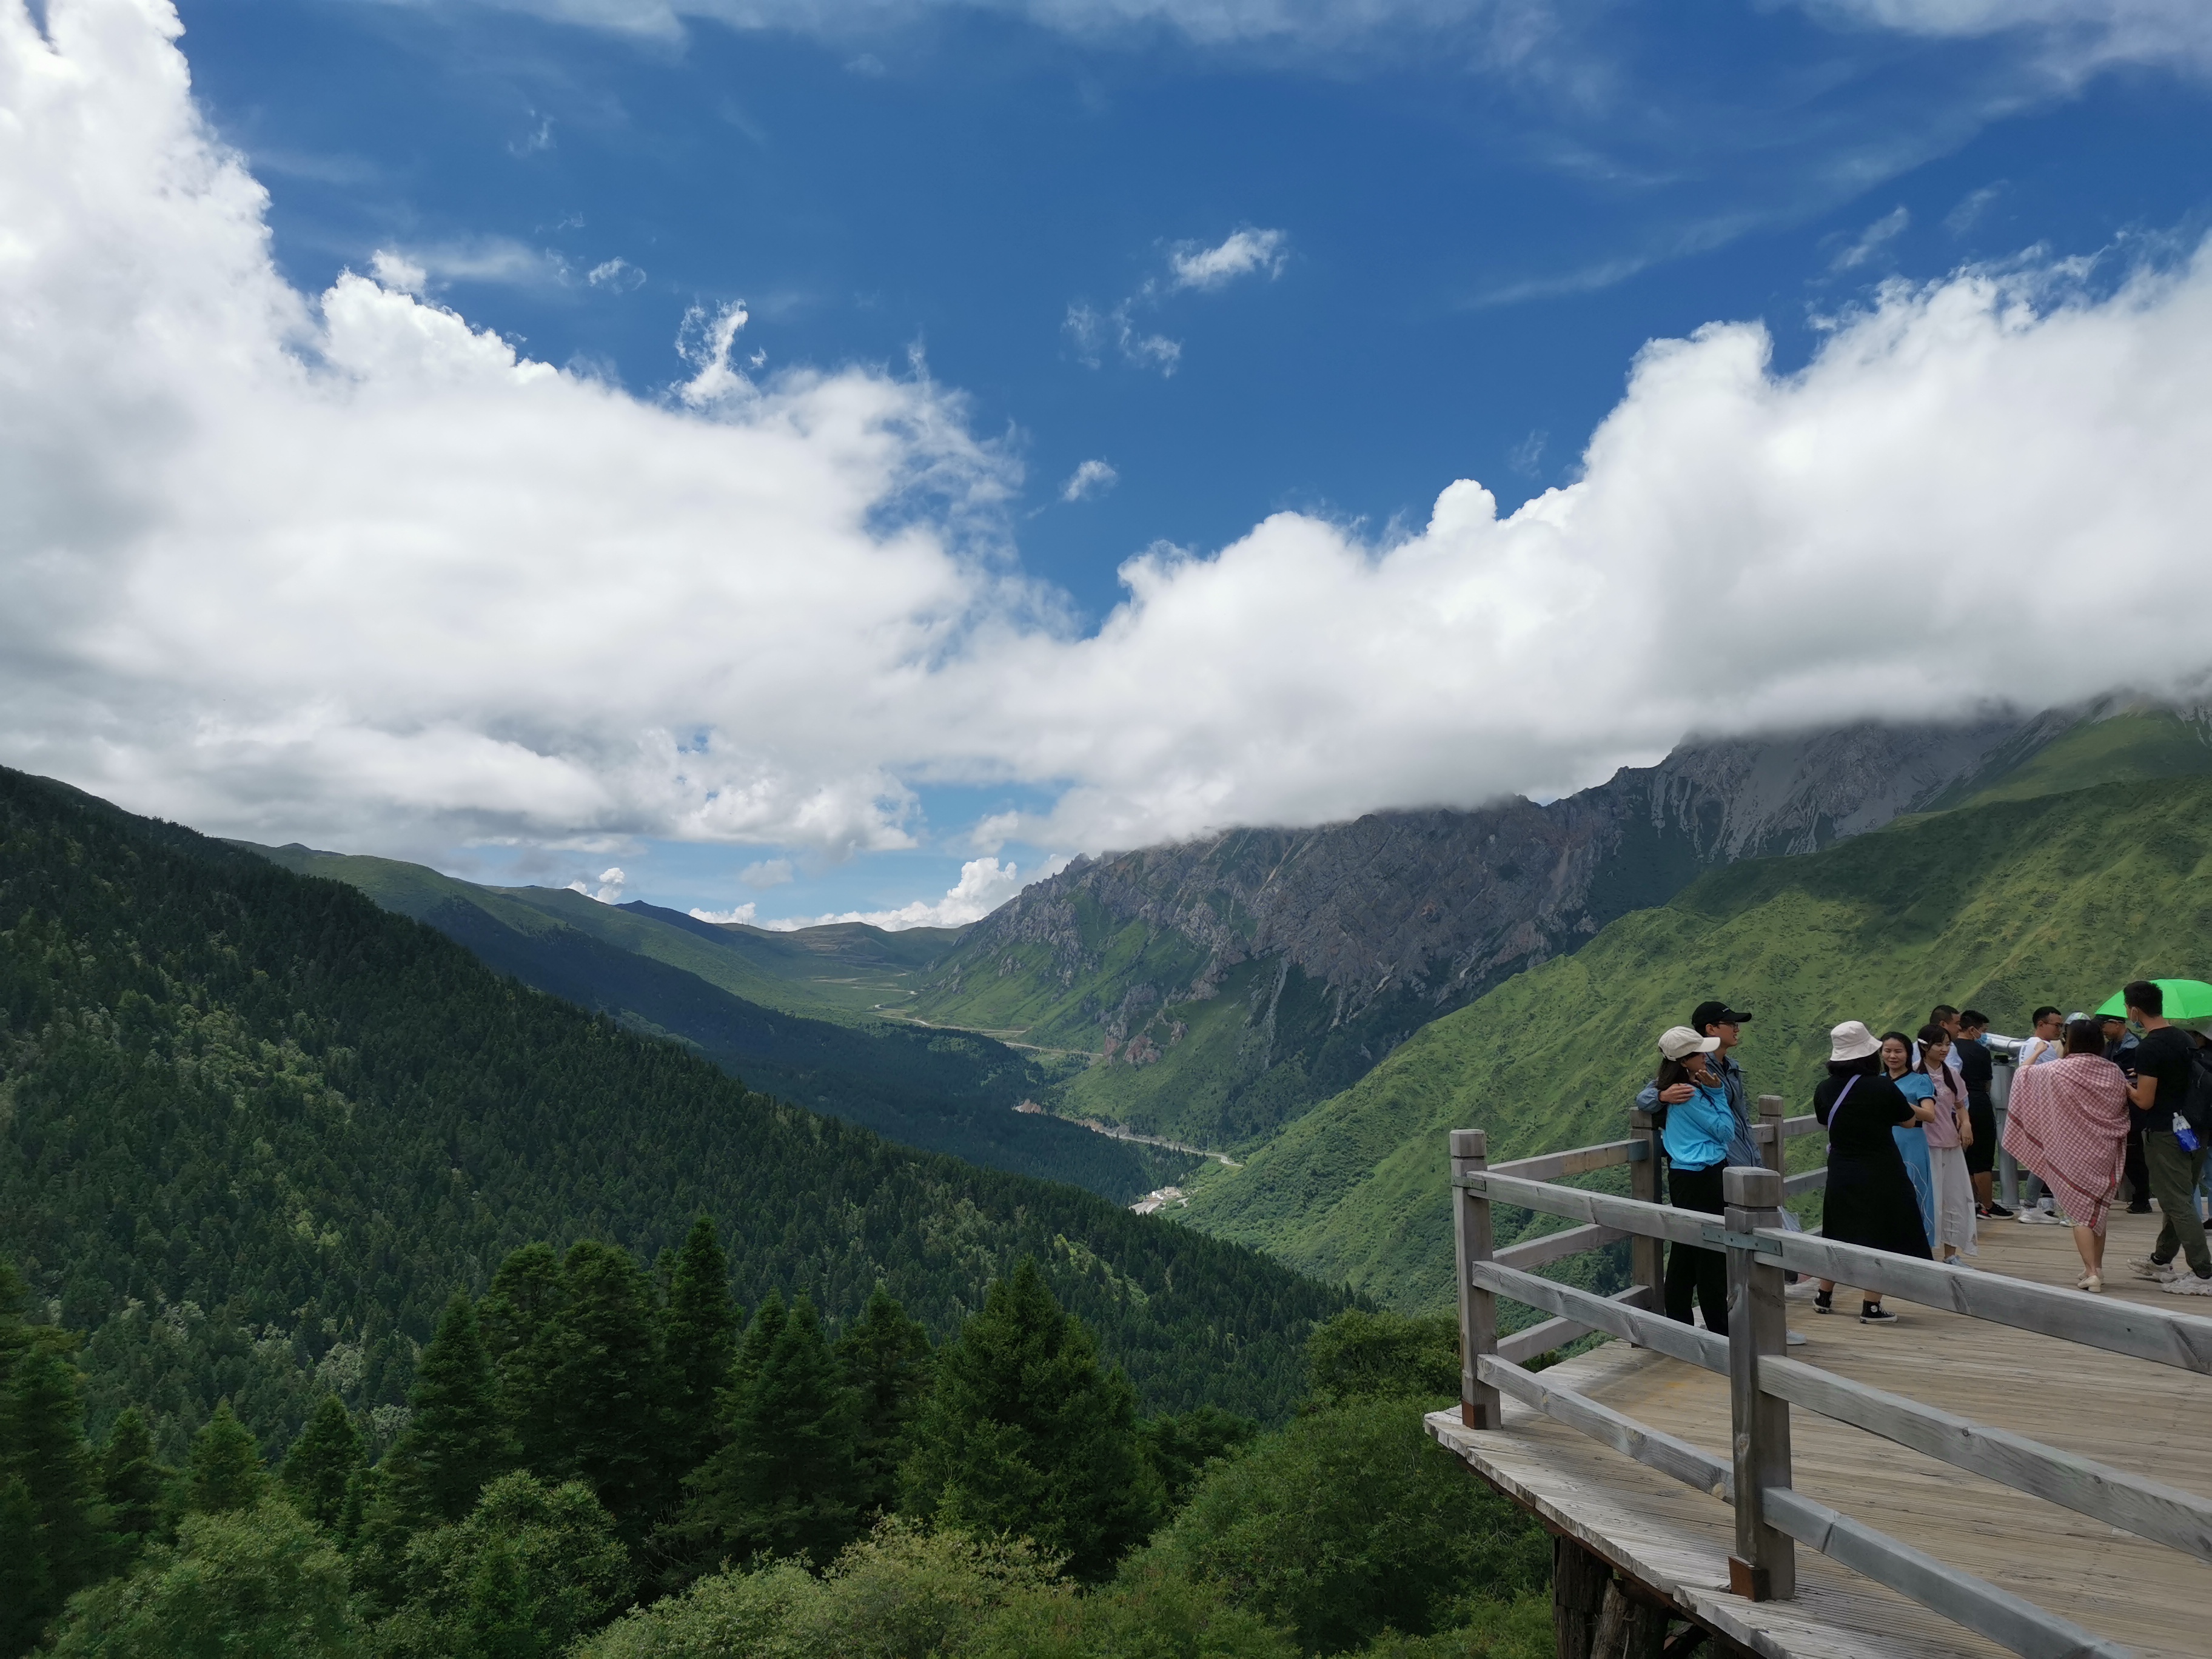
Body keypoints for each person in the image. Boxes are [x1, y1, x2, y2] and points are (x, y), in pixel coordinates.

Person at [1813, 1021, 1934, 1322]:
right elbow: (1909, 1122)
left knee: (1837, 1229)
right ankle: (1871, 1306)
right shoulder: (1881, 1087)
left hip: (1841, 1167)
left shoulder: (1824, 1089)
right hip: (1880, 1168)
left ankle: (1824, 1295)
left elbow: (1824, 1121)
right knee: (1879, 1233)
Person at [2004, 1019, 2130, 1291]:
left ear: (2070, 1042)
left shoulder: (2053, 1071)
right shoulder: (2112, 1070)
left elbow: (2022, 1076)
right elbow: (2121, 1107)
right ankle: (2098, 1268)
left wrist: (2037, 1052)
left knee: (2078, 1214)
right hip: (2104, 1149)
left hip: (2071, 1151)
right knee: (2098, 1211)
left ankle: (2091, 1271)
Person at [2116, 981, 2212, 1296]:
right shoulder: (2184, 1037)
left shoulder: (2149, 1047)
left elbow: (2145, 1100)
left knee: (2177, 1201)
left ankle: (2204, 1272)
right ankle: (2161, 1261)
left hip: (2165, 1133)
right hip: (2195, 1129)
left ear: (2134, 1010)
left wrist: (2125, 1085)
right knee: (2180, 1196)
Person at [1654, 1025, 1736, 1335]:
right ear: (1684, 1061)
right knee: (1711, 1252)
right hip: (1703, 1175)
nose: (1705, 1056)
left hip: (1687, 1176)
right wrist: (1717, 1093)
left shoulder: (1680, 1087)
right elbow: (1726, 1131)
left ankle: (1679, 1325)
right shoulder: (1689, 1093)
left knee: (1687, 1249)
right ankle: (1719, 1329)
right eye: (1699, 1053)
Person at [1640, 1000, 1761, 1173]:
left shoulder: (1731, 1068)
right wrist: (1662, 1096)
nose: (1737, 1029)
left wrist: (1755, 1157)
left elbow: (1742, 1118)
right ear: (1711, 1029)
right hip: (1721, 1163)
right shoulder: (1696, 1068)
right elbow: (1646, 1096)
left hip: (1747, 1158)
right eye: (1731, 1024)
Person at [1914, 1022, 1977, 1263]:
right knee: (1927, 1199)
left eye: (1947, 1044)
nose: (1944, 1049)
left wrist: (1966, 1124)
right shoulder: (1914, 1074)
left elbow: (1960, 1105)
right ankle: (1923, 1254)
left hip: (1950, 1144)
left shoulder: (1951, 1074)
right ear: (1924, 1046)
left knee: (1954, 1198)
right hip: (1924, 1145)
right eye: (1939, 1044)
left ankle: (1951, 1255)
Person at [2013, 1006, 2069, 1224]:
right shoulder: (2044, 1048)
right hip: (2046, 1112)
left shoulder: (2028, 1045)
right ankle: (2064, 1210)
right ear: (2041, 1025)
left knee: (2043, 1160)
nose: (2060, 1029)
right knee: (2057, 1160)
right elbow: (2056, 1080)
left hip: (2032, 1110)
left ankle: (2030, 1207)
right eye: (2057, 1025)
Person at [1882, 1031, 1938, 1245]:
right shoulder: (1878, 1081)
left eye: (1898, 1051)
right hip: (1884, 1142)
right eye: (1887, 1051)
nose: (1892, 1056)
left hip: (1912, 1142)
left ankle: (1917, 1243)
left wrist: (1899, 1103)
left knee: (1915, 1192)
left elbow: (1930, 1115)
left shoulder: (1920, 1081)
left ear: (1908, 1054)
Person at [1956, 1011, 2009, 1218]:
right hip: (1978, 1103)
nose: (1983, 1035)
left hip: (1956, 1106)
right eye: (1983, 1030)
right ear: (1972, 1030)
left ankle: (1971, 1205)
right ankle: (1988, 1205)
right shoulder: (1980, 1052)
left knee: (1965, 1158)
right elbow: (1987, 1083)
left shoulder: (1948, 1049)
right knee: (1983, 1159)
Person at [2104, 1014, 2152, 1213]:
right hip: (2116, 1106)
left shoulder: (2135, 1048)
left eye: (2105, 1025)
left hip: (2132, 1108)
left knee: (2134, 1154)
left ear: (2117, 1024)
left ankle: (2142, 1198)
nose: (2103, 1029)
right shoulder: (2112, 1046)